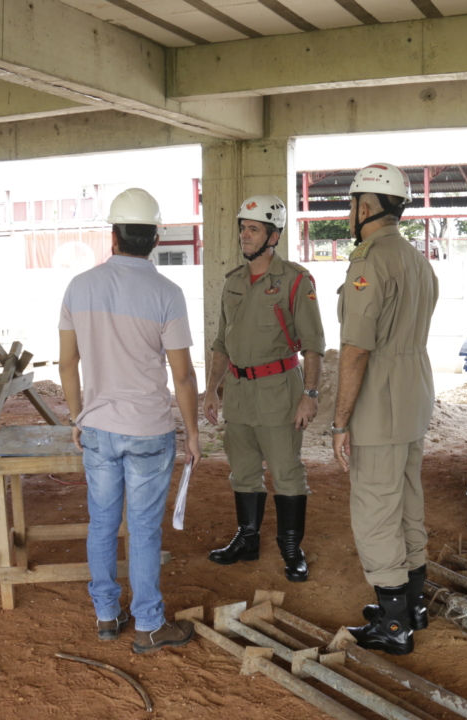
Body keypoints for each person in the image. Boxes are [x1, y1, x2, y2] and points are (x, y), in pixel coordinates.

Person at [58, 187, 200, 655]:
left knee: (102, 523)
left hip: (98, 428)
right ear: (155, 239)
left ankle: (106, 615)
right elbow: (182, 375)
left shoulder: (79, 287)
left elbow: (67, 363)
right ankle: (148, 625)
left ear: (114, 236)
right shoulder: (167, 293)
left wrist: (77, 417)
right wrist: (193, 434)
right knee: (143, 530)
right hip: (148, 431)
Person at [331, 163, 439, 656]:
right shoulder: (417, 259)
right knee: (408, 500)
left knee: (375, 508)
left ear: (366, 206)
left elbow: (356, 350)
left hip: (380, 403)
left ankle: (393, 624)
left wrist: (340, 422)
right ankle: (412, 605)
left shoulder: (370, 262)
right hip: (414, 398)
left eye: (353, 204)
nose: (350, 213)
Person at [203, 195, 325, 582]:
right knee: (242, 470)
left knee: (286, 471)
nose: (245, 235)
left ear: (273, 236)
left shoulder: (295, 280)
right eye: (243, 228)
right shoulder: (233, 282)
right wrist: (211, 389)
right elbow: (221, 343)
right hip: (238, 390)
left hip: (279, 390)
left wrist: (310, 395)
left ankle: (290, 547)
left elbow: (313, 345)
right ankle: (248, 538)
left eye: (253, 229)